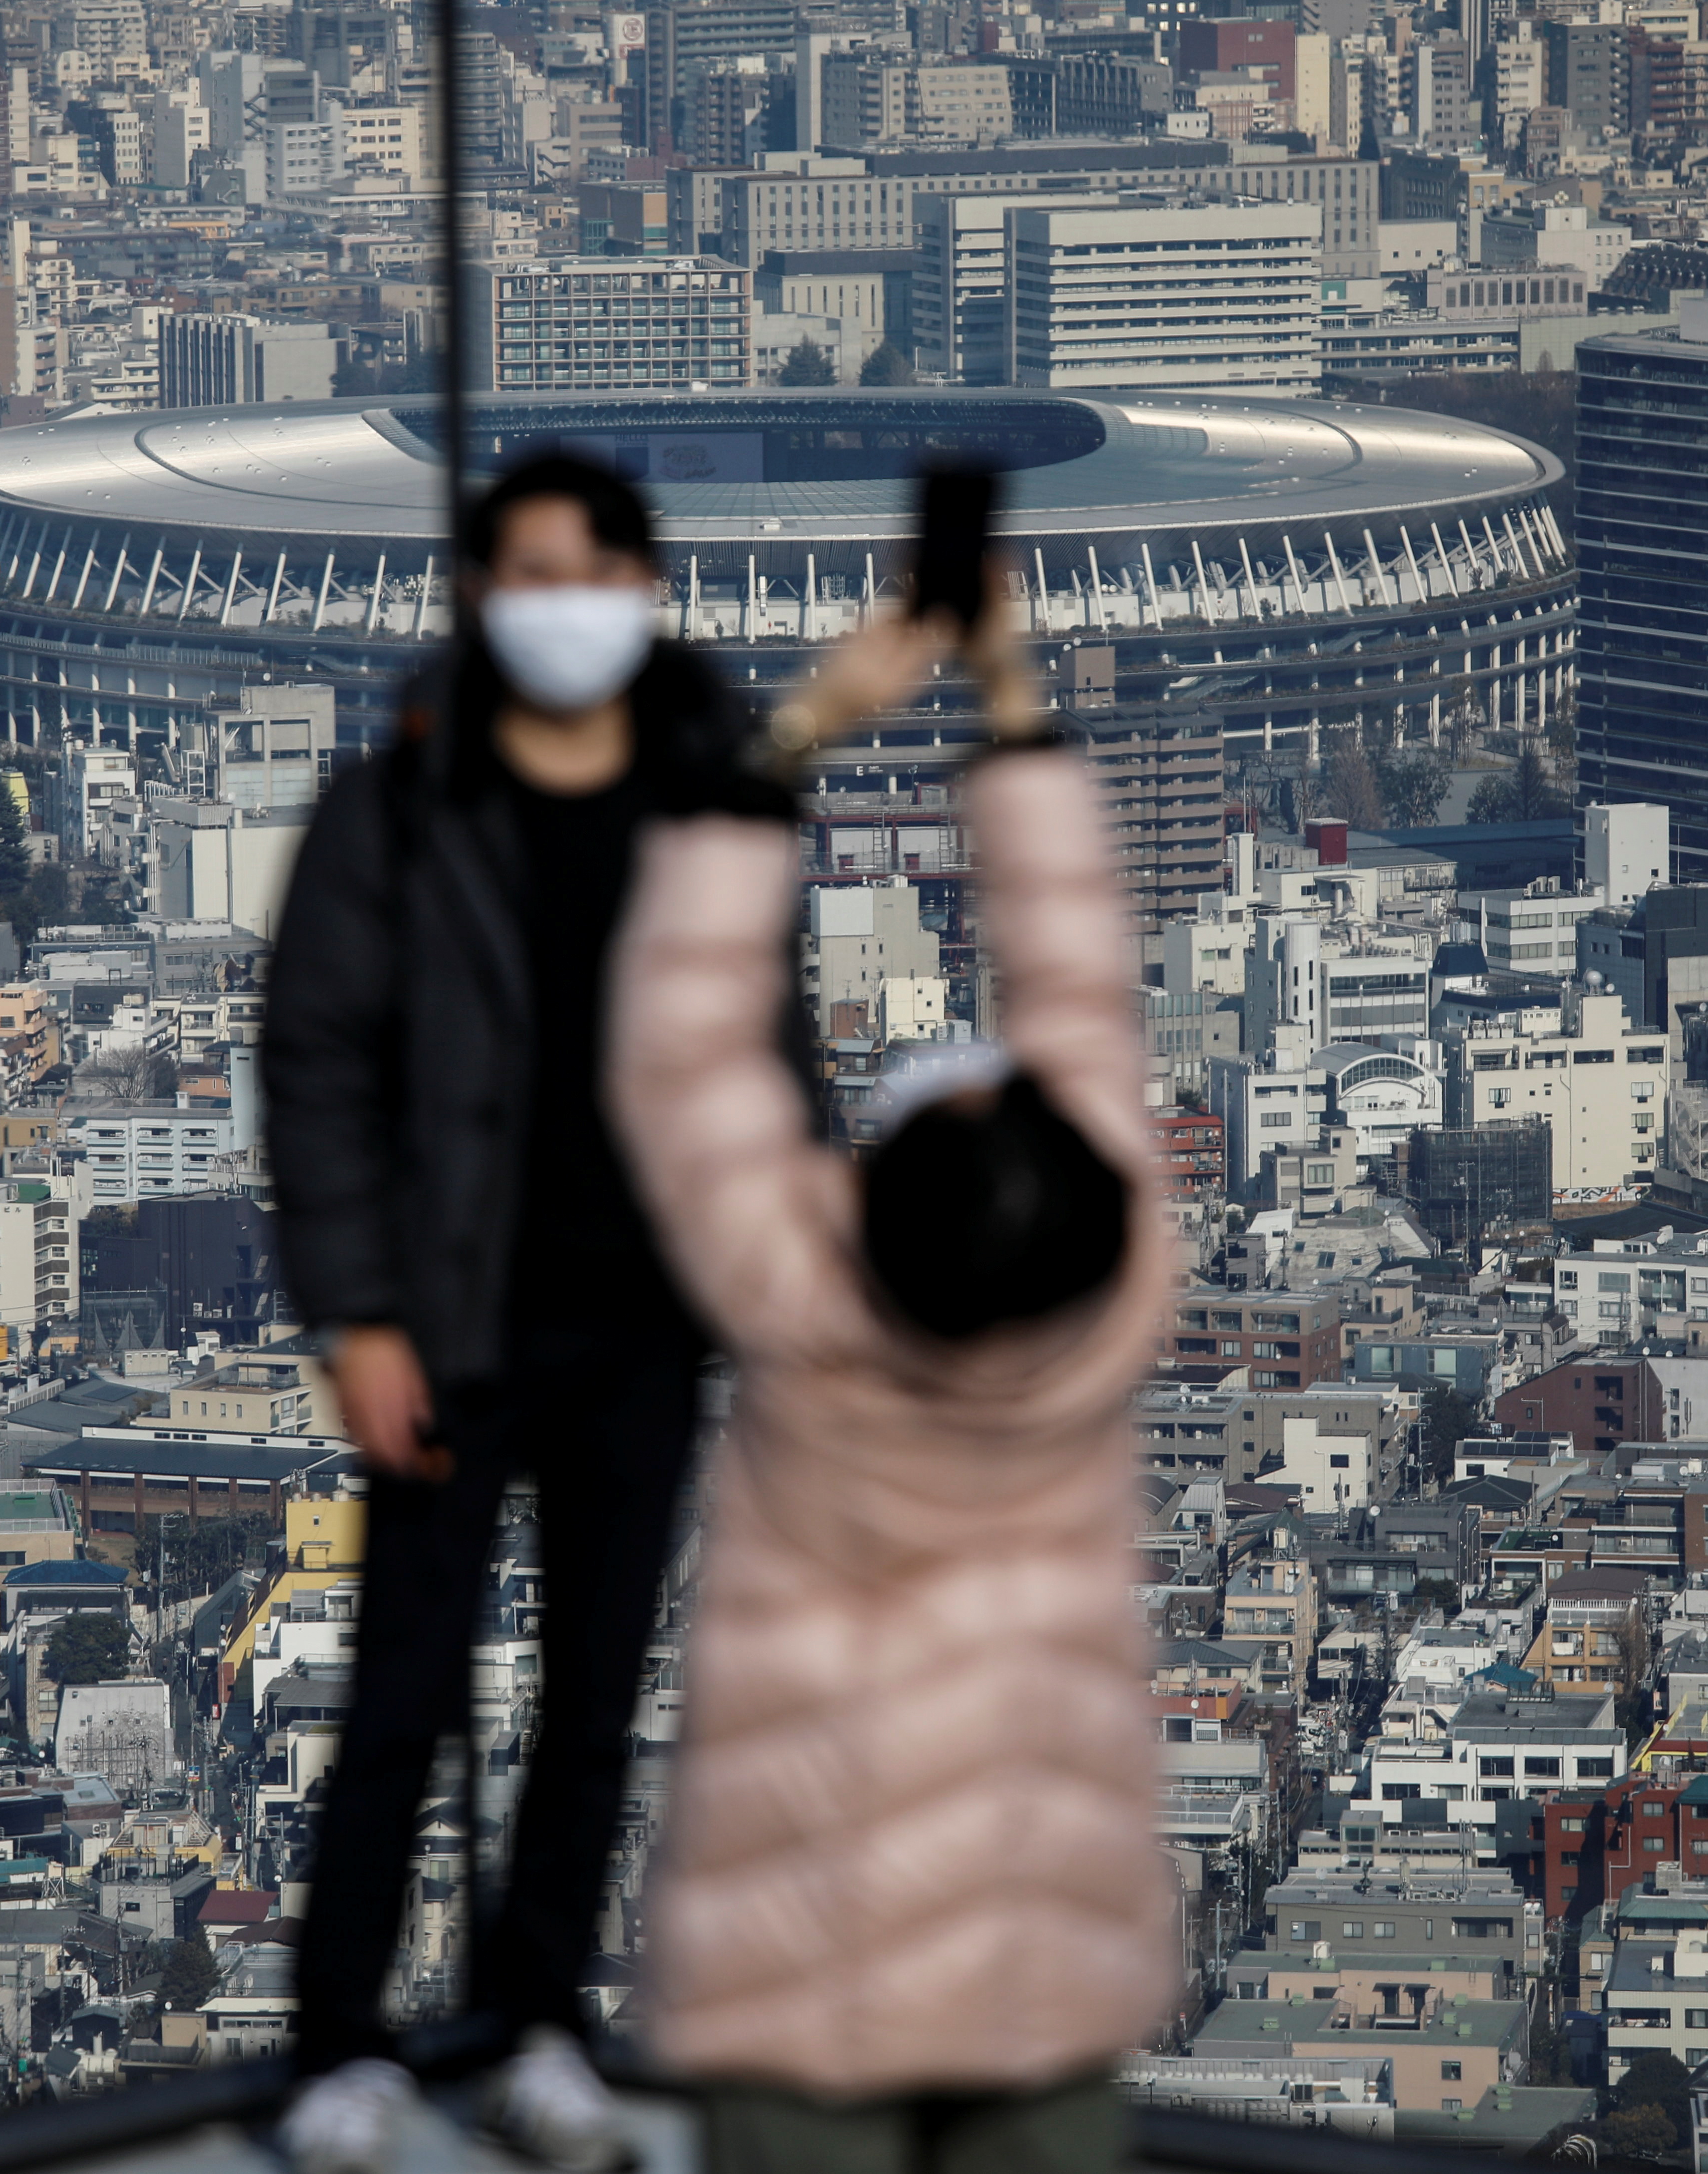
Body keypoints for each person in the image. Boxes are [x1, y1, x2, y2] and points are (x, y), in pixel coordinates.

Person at [262, 450, 839, 2174]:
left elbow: (771, 1050)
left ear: (646, 591)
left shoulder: (700, 799)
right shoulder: (403, 802)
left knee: (596, 1702)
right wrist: (354, 1315)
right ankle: (340, 2045)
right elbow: (317, 1060)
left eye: (591, 571)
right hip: (451, 1315)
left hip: (644, 1320)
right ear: (473, 598)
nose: (563, 607)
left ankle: (534, 2024)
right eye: (527, 573)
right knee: (404, 1684)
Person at [604, 608, 1178, 2173]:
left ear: (855, 1207)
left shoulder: (799, 1298)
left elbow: (680, 1041)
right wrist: (1011, 706)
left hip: (794, 1959)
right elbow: (1086, 999)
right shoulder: (1112, 1305)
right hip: (1033, 1957)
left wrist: (795, 731)